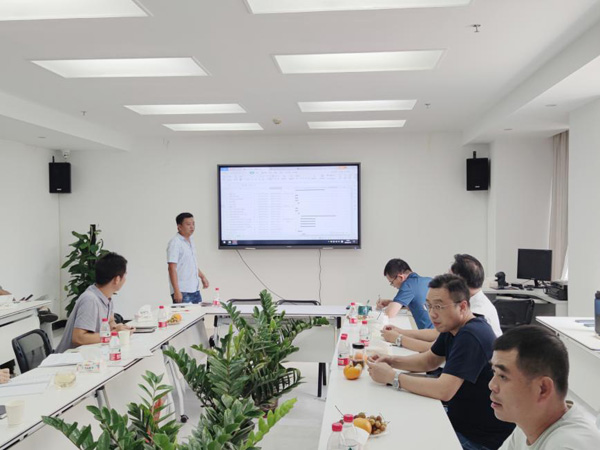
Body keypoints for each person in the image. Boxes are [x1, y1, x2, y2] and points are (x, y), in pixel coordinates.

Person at [368, 274, 514, 450]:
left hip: (478, 439)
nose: (432, 314)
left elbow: (443, 390)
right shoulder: (453, 327)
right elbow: (429, 360)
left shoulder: (472, 335)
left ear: (462, 306)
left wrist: (392, 377)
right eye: (429, 306)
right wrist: (391, 360)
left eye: (438, 306)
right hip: (459, 420)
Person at [490, 325, 600, 449]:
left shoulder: (567, 445)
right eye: (494, 372)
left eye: (503, 376)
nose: (492, 385)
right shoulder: (529, 422)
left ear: (543, 389)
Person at [381, 254, 502, 352]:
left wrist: (399, 338)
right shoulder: (471, 302)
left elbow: (434, 349)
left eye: (449, 278)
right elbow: (438, 335)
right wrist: (400, 332)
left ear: (460, 282)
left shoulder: (476, 314)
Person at [56, 253, 134, 353]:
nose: (125, 279)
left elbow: (110, 321)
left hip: (90, 354)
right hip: (70, 357)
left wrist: (119, 328)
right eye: (125, 275)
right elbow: (79, 338)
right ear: (117, 279)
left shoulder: (106, 297)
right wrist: (114, 334)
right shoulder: (90, 299)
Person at [376, 258, 433, 329]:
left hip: (430, 334)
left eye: (391, 282)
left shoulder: (408, 285)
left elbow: (389, 314)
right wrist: (389, 302)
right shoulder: (429, 280)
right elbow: (418, 306)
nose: (393, 285)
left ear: (400, 277)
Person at [167, 212, 209, 304]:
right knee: (184, 314)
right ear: (179, 227)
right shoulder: (175, 243)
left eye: (193, 224)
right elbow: (171, 268)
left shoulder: (191, 240)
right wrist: (176, 291)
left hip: (195, 289)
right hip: (182, 291)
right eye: (188, 224)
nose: (192, 227)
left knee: (199, 313)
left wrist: (202, 277)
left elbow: (191, 264)